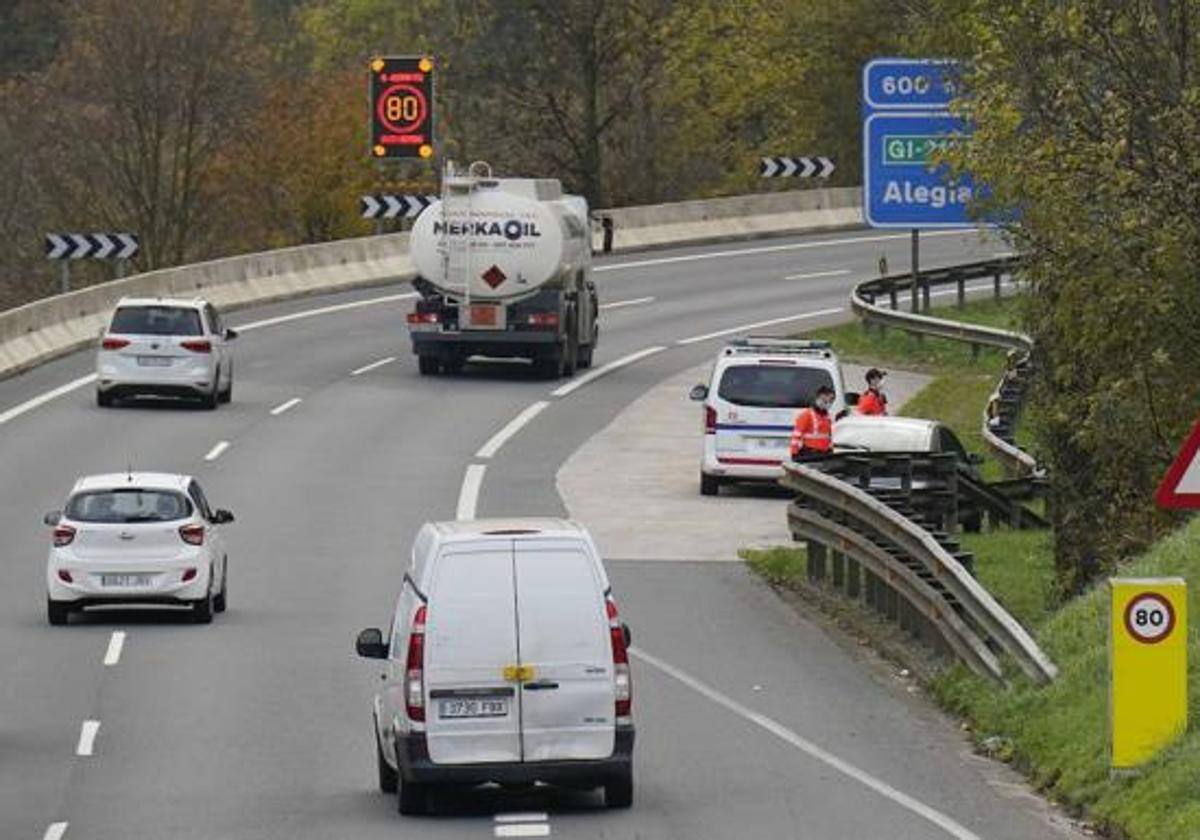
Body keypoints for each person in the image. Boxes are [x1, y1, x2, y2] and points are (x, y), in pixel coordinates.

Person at [790, 385, 835, 459]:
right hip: (810, 453)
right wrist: (794, 453)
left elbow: (829, 436)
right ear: (817, 398)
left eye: (830, 401)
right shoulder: (806, 415)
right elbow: (796, 436)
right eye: (824, 400)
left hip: (824, 453)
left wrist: (830, 449)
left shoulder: (828, 417)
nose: (827, 403)